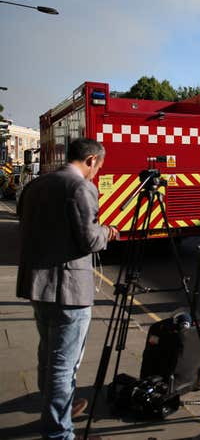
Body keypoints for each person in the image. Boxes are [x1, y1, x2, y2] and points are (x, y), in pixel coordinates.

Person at [16, 138, 118, 439]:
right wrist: (108, 232)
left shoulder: (35, 186)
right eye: (97, 167)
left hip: (37, 286)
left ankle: (57, 408)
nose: (96, 174)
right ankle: (59, 431)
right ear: (90, 160)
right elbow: (89, 239)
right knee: (64, 364)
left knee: (47, 356)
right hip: (69, 290)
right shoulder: (80, 188)